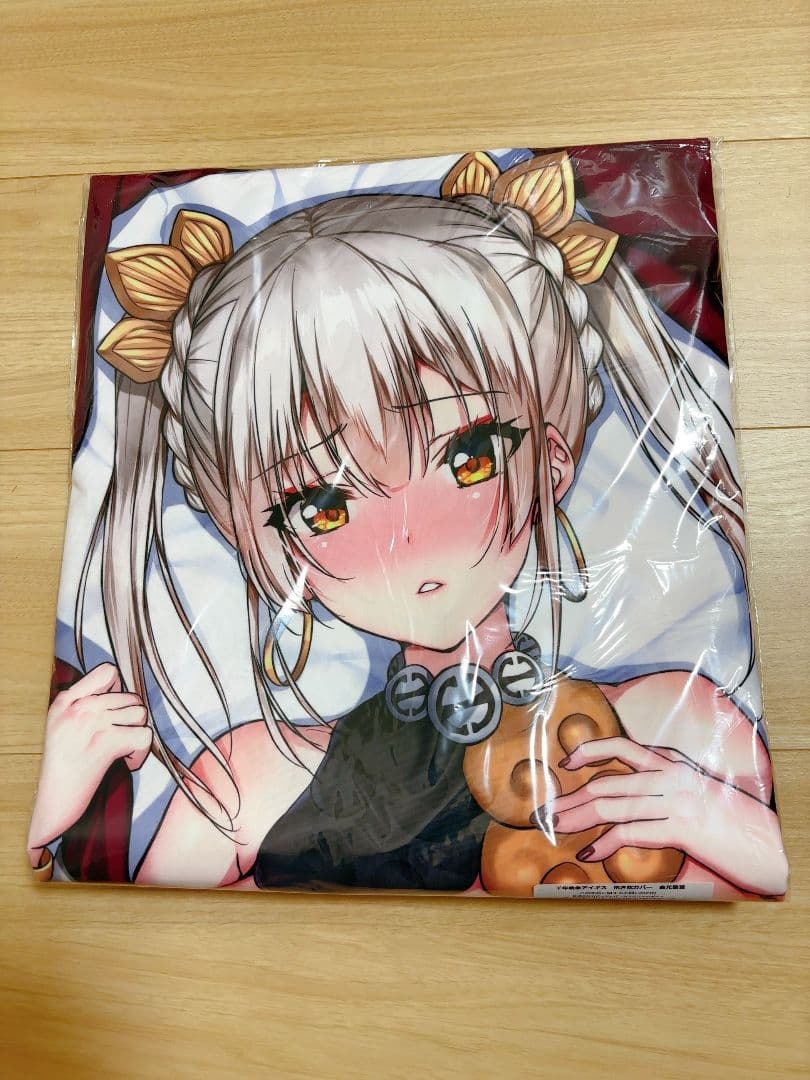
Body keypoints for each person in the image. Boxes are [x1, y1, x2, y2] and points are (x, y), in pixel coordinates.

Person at [28, 151, 788, 898]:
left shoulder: (669, 723)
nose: (408, 535)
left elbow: (759, 915)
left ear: (553, 462)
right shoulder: (250, 780)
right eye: (322, 506)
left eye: (469, 456)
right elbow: (124, 947)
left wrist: (722, 825)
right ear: (263, 546)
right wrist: (40, 828)